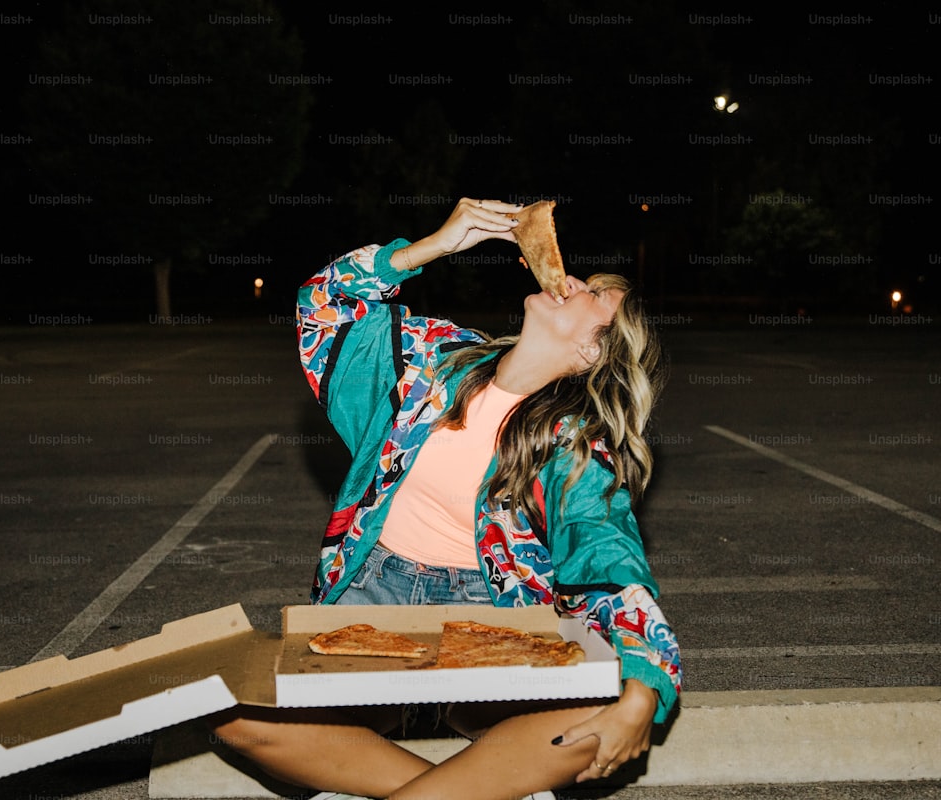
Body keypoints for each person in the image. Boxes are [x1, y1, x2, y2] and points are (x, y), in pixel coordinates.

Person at [211, 197, 682, 799]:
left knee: (588, 727)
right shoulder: (432, 359)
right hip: (370, 603)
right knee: (237, 716)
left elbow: (607, 557)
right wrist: (432, 245)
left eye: (591, 294)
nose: (568, 279)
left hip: (492, 622)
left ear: (593, 352)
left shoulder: (575, 445)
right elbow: (323, 309)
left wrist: (644, 688)